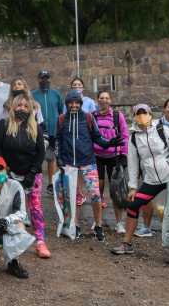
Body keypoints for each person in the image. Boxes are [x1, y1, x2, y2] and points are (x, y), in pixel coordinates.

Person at [111, 104, 169, 265]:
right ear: (134, 116)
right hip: (151, 180)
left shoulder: (163, 130)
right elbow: (132, 163)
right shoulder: (133, 137)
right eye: (138, 114)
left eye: (144, 113)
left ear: (150, 114)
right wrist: (133, 187)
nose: (141, 116)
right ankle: (126, 244)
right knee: (133, 204)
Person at [0, 94, 50, 258]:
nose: (22, 108)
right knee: (4, 206)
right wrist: (5, 171)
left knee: (36, 207)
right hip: (8, 172)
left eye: (26, 106)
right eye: (19, 105)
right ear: (13, 107)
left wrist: (32, 173)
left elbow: (40, 153)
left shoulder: (35, 127)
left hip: (31, 173)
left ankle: (40, 241)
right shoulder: (3, 125)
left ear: (30, 109)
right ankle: (0, 236)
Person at [56, 91, 117, 241]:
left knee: (95, 195)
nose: (74, 105)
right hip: (70, 164)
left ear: (81, 104)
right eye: (71, 103)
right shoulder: (62, 119)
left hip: (88, 163)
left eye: (77, 103)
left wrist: (109, 143)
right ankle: (75, 226)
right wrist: (59, 159)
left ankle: (98, 226)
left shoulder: (88, 117)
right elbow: (58, 141)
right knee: (74, 197)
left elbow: (97, 137)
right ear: (67, 104)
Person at [92, 91, 129, 234]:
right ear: (97, 100)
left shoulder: (117, 116)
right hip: (97, 156)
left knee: (116, 191)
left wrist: (124, 154)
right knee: (97, 190)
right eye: (101, 98)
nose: (104, 100)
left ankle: (119, 223)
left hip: (114, 156)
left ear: (110, 100)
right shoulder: (93, 116)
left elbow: (125, 135)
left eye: (107, 98)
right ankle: (97, 221)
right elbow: (90, 136)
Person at [32, 70, 64, 193]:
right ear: (38, 79)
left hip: (53, 131)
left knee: (51, 158)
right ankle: (36, 182)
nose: (44, 80)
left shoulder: (56, 94)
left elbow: (61, 112)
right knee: (37, 157)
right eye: (42, 78)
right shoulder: (32, 95)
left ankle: (51, 183)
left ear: (50, 79)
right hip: (37, 131)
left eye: (46, 78)